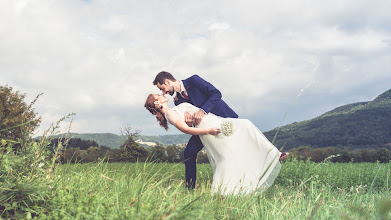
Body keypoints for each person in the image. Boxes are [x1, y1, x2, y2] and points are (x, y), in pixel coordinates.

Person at [144, 94, 282, 195]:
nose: (161, 94)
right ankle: (225, 189)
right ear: (156, 102)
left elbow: (188, 123)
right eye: (158, 95)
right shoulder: (170, 114)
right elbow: (186, 130)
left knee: (242, 132)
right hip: (211, 129)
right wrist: (209, 130)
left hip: (214, 122)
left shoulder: (173, 110)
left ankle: (268, 155)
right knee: (240, 134)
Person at [152, 71, 238, 190]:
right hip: (206, 129)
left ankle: (236, 183)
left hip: (223, 120)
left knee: (231, 153)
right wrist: (190, 123)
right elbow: (190, 124)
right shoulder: (177, 101)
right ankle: (190, 189)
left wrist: (202, 110)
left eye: (163, 88)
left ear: (167, 82)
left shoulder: (194, 80)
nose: (163, 92)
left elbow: (216, 94)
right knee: (189, 152)